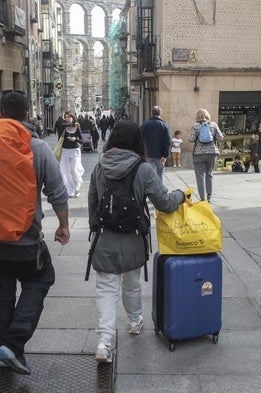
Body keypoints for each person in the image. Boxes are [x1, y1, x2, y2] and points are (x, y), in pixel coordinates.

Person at [0, 91, 69, 376]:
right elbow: (57, 192)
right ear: (26, 115)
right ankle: (14, 342)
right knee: (41, 278)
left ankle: (6, 349)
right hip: (24, 239)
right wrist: (63, 225)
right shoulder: (38, 147)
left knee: (3, 292)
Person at [88, 120, 186, 363]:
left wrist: (96, 225)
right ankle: (134, 321)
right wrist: (181, 195)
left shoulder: (100, 167)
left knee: (106, 289)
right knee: (131, 285)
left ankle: (104, 342)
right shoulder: (143, 169)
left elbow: (92, 201)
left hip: (106, 240)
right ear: (136, 142)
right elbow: (164, 202)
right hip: (133, 239)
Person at [188, 108, 224, 202]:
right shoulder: (213, 125)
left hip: (198, 154)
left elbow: (191, 139)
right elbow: (221, 138)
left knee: (200, 176)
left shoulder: (195, 126)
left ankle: (202, 198)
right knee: (209, 174)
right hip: (212, 153)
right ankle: (209, 196)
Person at [140, 106, 171, 179]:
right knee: (160, 173)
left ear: (152, 113)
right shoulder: (164, 125)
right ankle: (159, 189)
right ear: (160, 113)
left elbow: (139, 139)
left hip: (148, 154)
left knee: (150, 173)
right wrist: (165, 155)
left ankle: (151, 189)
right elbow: (167, 141)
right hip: (160, 155)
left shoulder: (145, 125)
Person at [60, 111, 84, 198]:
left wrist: (75, 139)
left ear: (72, 117)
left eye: (68, 117)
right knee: (66, 171)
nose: (66, 119)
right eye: (65, 117)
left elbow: (82, 141)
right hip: (65, 150)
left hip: (75, 150)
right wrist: (71, 123)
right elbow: (61, 126)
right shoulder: (63, 127)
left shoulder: (77, 128)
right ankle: (70, 190)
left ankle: (76, 187)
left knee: (75, 170)